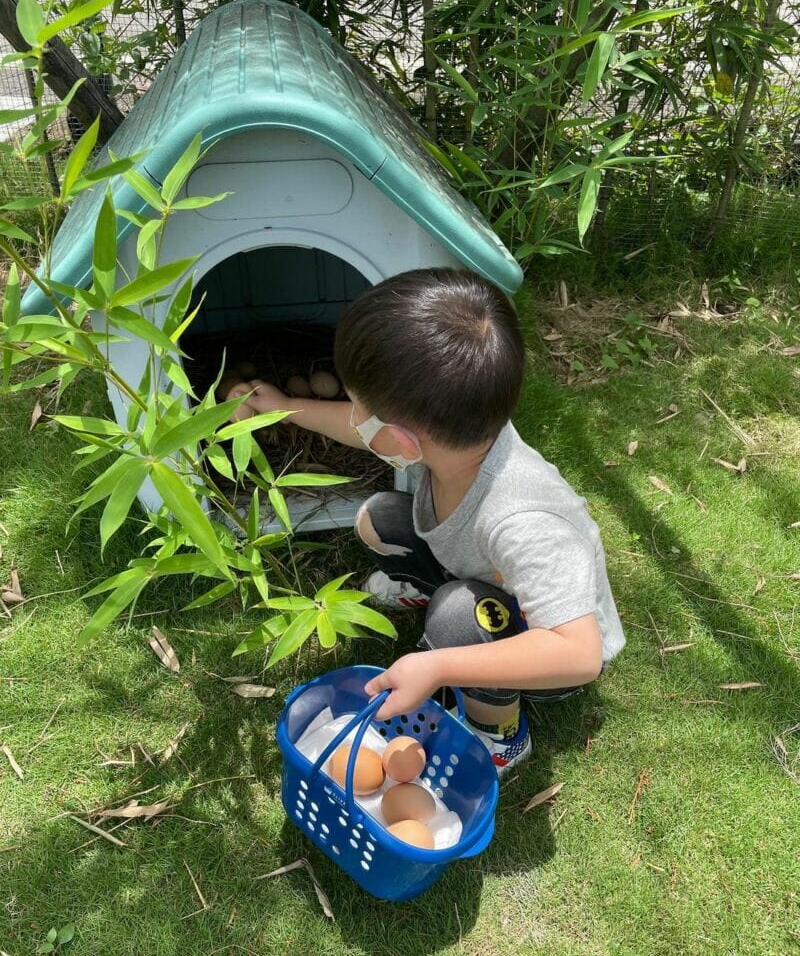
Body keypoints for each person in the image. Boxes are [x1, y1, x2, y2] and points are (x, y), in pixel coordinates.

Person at [223, 268, 625, 777]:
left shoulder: (525, 519)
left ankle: (499, 737)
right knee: (379, 519)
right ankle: (441, 603)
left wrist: (439, 666)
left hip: (549, 648)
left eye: (363, 413)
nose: (355, 418)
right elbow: (364, 428)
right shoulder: (462, 429)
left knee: (456, 615)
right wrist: (286, 409)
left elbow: (578, 654)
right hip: (485, 572)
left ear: (404, 444)